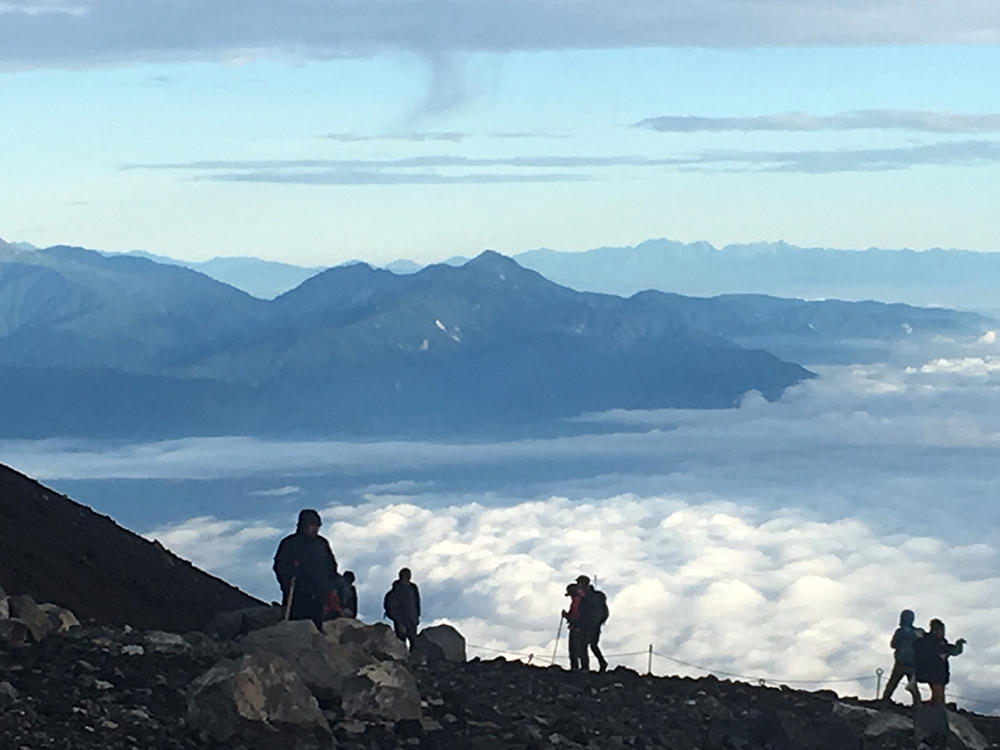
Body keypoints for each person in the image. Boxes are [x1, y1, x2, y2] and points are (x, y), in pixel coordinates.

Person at [273, 509, 342, 629]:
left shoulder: (321, 544)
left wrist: (329, 587)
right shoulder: (290, 544)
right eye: (311, 525)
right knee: (297, 627)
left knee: (316, 627)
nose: (315, 529)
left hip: (319, 595)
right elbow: (280, 566)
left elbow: (331, 566)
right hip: (298, 594)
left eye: (317, 526)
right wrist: (288, 578)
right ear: (303, 525)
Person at [914, 618, 966, 707]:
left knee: (939, 692)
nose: (941, 633)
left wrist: (958, 646)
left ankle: (936, 705)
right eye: (939, 630)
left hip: (938, 672)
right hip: (933, 672)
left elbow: (951, 650)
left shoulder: (939, 641)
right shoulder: (929, 641)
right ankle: (937, 709)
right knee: (938, 693)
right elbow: (948, 650)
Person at [881, 609, 923, 705]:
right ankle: (918, 704)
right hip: (908, 662)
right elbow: (893, 644)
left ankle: (885, 699)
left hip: (904, 662)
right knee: (910, 685)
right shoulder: (915, 633)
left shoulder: (901, 632)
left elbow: (893, 644)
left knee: (894, 683)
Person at [576, 575, 609, 673]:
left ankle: (586, 667)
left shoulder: (587, 596)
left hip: (590, 624)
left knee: (584, 645)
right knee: (593, 645)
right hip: (596, 624)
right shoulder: (596, 596)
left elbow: (586, 611)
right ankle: (601, 662)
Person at [384, 568, 421, 648]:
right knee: (401, 642)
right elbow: (391, 608)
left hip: (412, 620)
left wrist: (416, 616)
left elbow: (416, 603)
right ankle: (402, 658)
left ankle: (413, 659)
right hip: (401, 620)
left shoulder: (413, 588)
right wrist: (398, 621)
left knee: (414, 642)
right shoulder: (395, 592)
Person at [562, 582, 587, 671]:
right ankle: (584, 667)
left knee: (574, 650)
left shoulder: (576, 601)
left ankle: (575, 668)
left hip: (576, 628)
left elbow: (574, 615)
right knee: (582, 649)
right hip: (584, 628)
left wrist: (566, 616)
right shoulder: (584, 599)